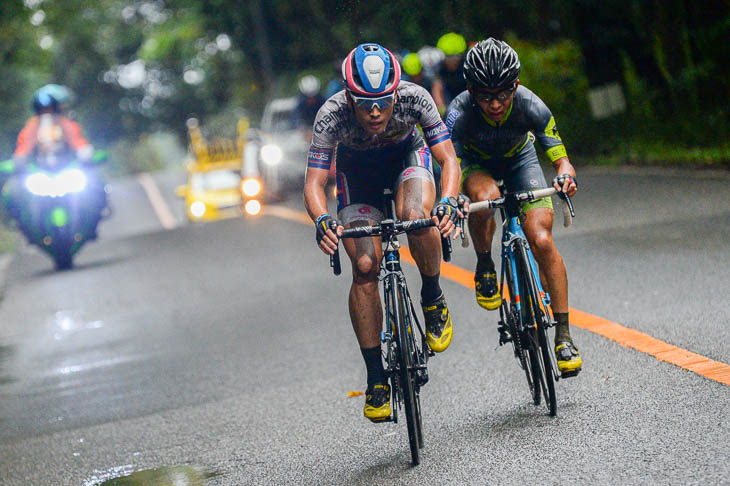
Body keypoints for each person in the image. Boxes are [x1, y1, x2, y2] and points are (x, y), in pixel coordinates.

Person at [303, 43, 463, 422]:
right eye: (363, 103)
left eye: (383, 102)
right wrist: (323, 220)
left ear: (396, 93)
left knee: (416, 215)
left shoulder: (416, 99)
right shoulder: (331, 115)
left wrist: (449, 200)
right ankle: (376, 378)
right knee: (363, 264)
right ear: (347, 96)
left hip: (408, 157)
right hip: (358, 175)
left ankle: (432, 295)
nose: (374, 112)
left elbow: (448, 159)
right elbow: (314, 183)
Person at [444, 38, 582, 376]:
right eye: (485, 96)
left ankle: (563, 335)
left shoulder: (531, 106)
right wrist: (453, 198)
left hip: (522, 161)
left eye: (503, 94)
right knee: (485, 197)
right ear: (470, 89)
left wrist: (565, 176)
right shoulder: (458, 113)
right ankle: (485, 263)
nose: (494, 104)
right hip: (477, 166)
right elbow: (447, 162)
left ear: (515, 86)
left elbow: (561, 161)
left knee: (543, 239)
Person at [3, 84, 107, 233]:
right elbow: (23, 148)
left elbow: (78, 142)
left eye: (50, 108)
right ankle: (21, 224)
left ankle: (97, 213)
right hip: (41, 173)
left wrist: (86, 154)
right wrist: (18, 162)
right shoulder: (32, 127)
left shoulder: (66, 124)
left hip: (67, 170)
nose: (47, 112)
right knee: (13, 191)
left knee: (94, 182)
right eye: (43, 109)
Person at [431, 32, 468, 115]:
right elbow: (437, 88)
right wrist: (441, 108)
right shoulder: (440, 68)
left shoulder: (468, 66)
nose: (450, 61)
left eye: (454, 57)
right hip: (450, 104)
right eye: (447, 57)